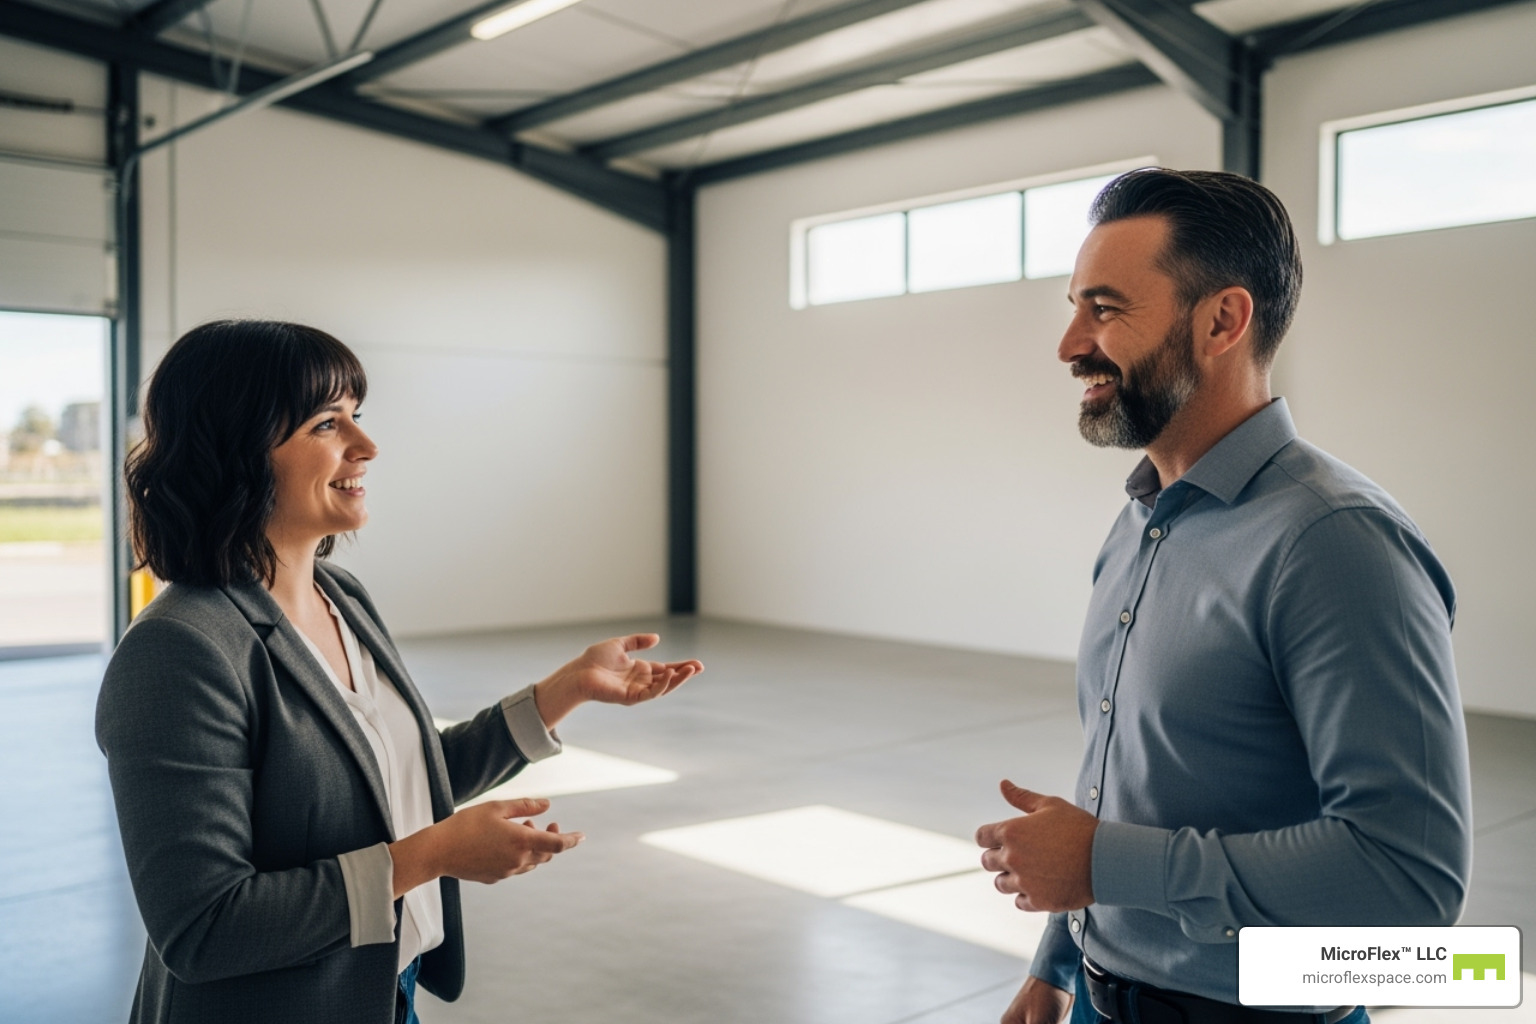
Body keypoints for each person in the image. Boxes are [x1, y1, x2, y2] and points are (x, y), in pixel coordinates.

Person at [96, 319, 704, 1024]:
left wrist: (565, 691)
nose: (367, 445)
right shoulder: (179, 651)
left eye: (356, 415)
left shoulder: (342, 597)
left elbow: (394, 779)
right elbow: (204, 928)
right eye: (328, 424)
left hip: (385, 994)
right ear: (235, 452)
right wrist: (434, 854)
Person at [974, 169, 1471, 1024]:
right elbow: (1132, 783)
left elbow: (1410, 881)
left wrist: (1103, 864)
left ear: (1221, 322)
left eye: (1104, 309)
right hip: (1096, 995)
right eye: (1075, 307)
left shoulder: (1336, 542)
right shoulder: (1139, 522)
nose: (1069, 345)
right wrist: (1059, 961)